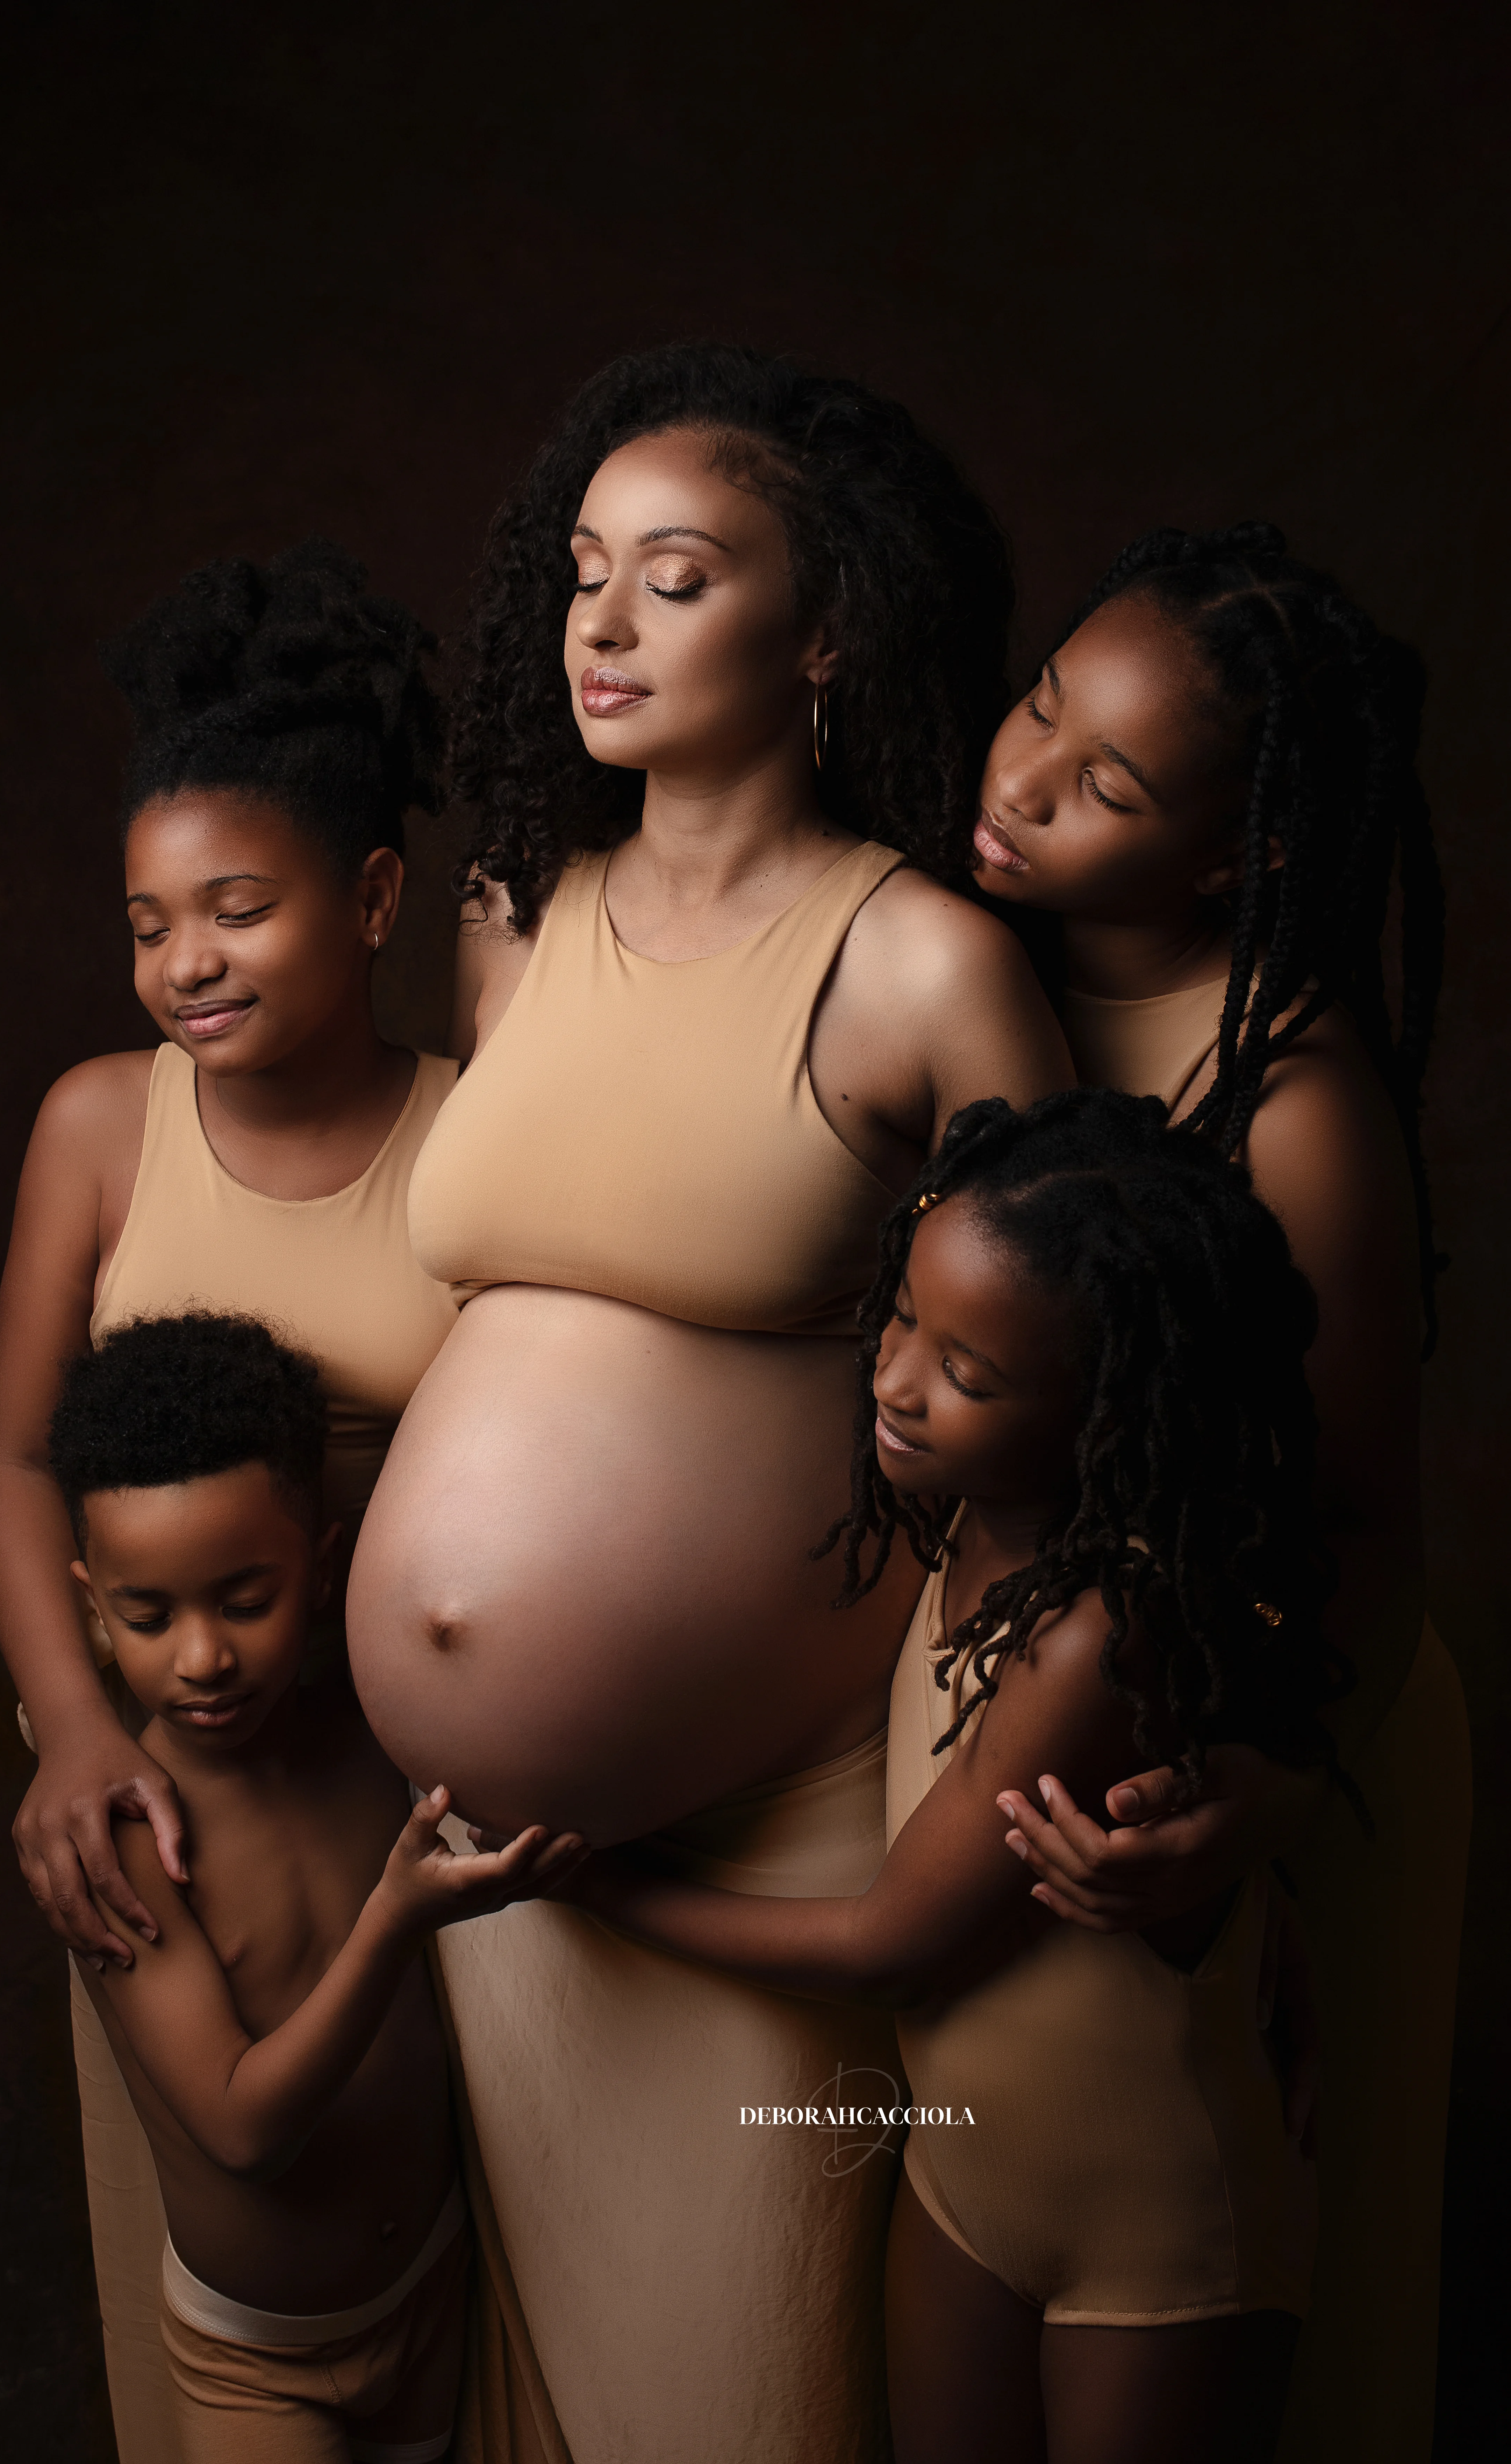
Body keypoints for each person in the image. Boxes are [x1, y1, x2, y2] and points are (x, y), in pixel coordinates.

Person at [347, 344, 1074, 2463]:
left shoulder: (918, 959)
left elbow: (1107, 1349)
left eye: (674, 575)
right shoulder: (511, 916)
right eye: (583, 571)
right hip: (497, 1868)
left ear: (822, 622)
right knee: (561, 2382)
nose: (601, 623)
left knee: (751, 2401)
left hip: (781, 1843)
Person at [560, 1090, 1338, 2464]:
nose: (898, 1377)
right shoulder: (968, 1517)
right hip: (964, 2184)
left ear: (1109, 1409)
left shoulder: (1099, 1632)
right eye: (905, 1318)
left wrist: (596, 1884)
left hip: (1159, 2238)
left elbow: (892, 1943)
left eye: (969, 1375)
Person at [967, 526, 1469, 2463]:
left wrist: (1256, 1792)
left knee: (1231, 2327)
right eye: (1033, 707)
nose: (1018, 781)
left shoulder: (1289, 1110)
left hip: (1272, 1741)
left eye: (1102, 781)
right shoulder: (969, 953)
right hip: (1057, 1717)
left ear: (1231, 859)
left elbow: (1362, 1536)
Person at [0, 540, 459, 2461]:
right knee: (231, 2253)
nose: (186, 962)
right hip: (175, 1803)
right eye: (150, 921)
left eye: (237, 909)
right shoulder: (100, 1125)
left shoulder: (470, 1137)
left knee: (433, 2249)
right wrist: (80, 1734)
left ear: (373, 898)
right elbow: (12, 1461)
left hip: (399, 1790)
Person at [47, 1310, 583, 2464]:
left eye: (245, 1600)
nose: (203, 1657)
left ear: (326, 1565)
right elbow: (241, 2129)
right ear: (92, 1605)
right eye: (149, 1617)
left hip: (436, 2286)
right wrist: (393, 1921)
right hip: (262, 2361)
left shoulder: (370, 1735)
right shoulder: (131, 1838)